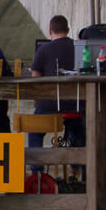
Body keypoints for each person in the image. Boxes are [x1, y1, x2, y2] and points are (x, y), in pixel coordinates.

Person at [29, 15, 83, 152]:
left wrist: (37, 101)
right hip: (76, 105)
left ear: (50, 31)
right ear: (68, 30)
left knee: (34, 132)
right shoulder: (79, 49)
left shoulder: (43, 50)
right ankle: (76, 167)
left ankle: (37, 170)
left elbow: (35, 76)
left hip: (50, 105)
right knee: (77, 130)